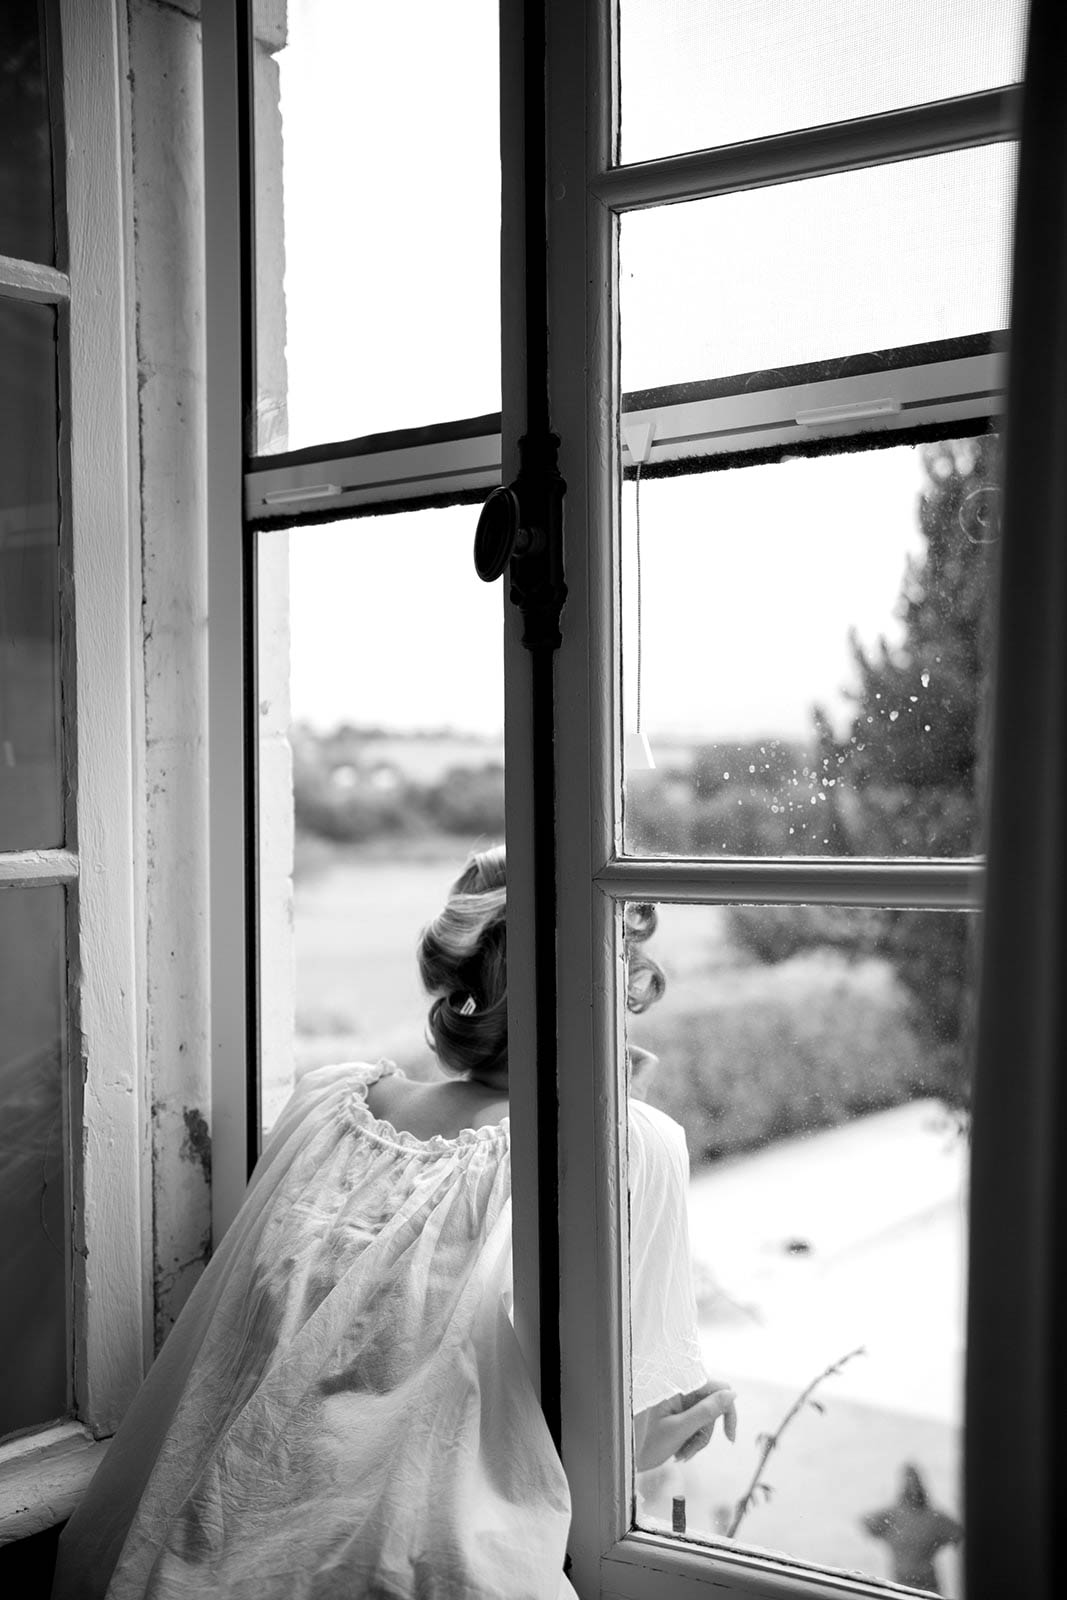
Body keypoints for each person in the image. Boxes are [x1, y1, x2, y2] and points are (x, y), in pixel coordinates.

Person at [53, 846, 735, 1599]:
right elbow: (604, 1443)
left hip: (187, 1557)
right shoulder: (626, 1141)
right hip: (418, 1574)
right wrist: (681, 1421)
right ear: (618, 980)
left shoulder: (328, 1107)